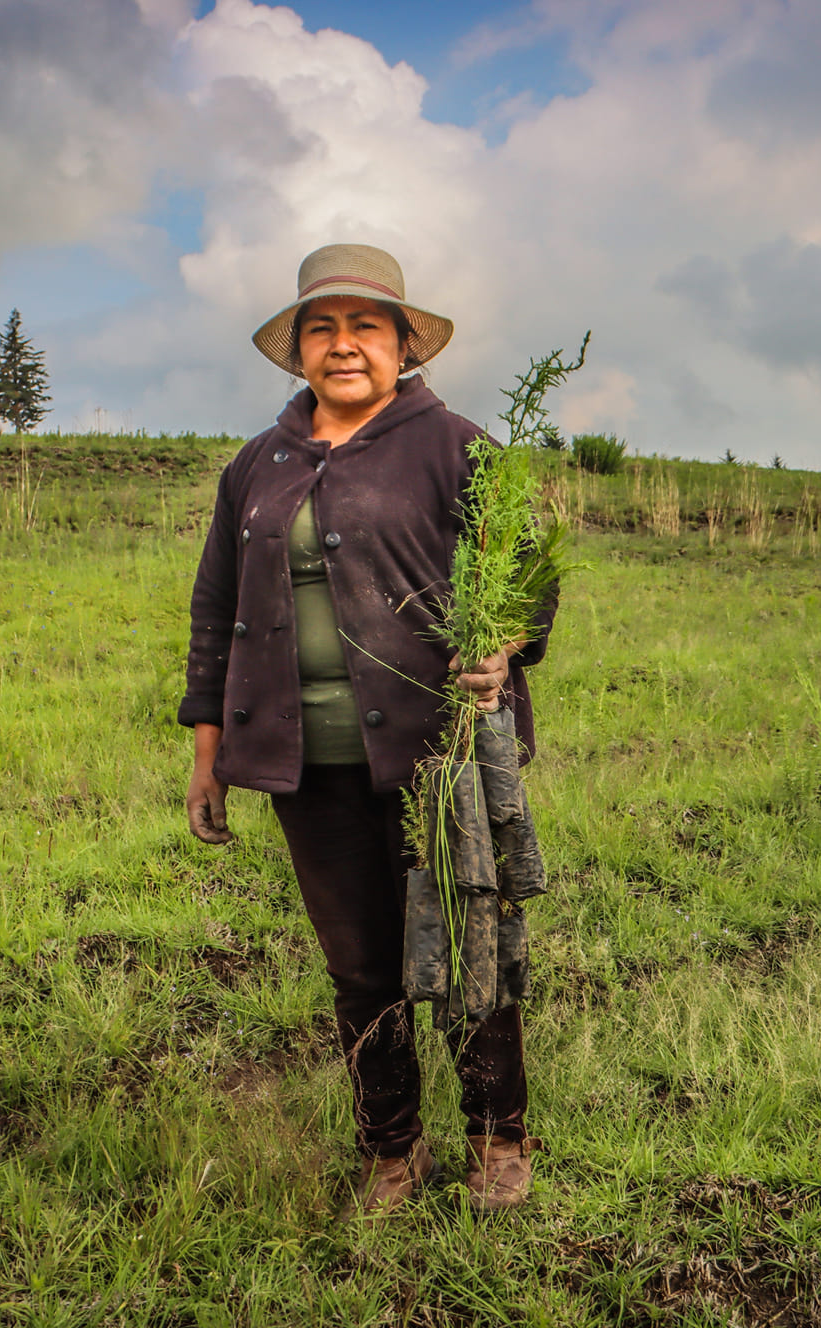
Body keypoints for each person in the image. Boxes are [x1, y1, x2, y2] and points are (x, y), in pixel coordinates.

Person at [179, 244, 557, 1214]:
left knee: (471, 940)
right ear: (298, 348)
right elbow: (216, 607)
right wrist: (208, 757)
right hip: (307, 764)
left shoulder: (455, 445)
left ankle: (496, 1136)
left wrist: (501, 645)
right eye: (321, 327)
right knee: (358, 964)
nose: (342, 345)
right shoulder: (254, 468)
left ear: (399, 345)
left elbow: (526, 576)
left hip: (439, 753)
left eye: (364, 327)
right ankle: (391, 1150)